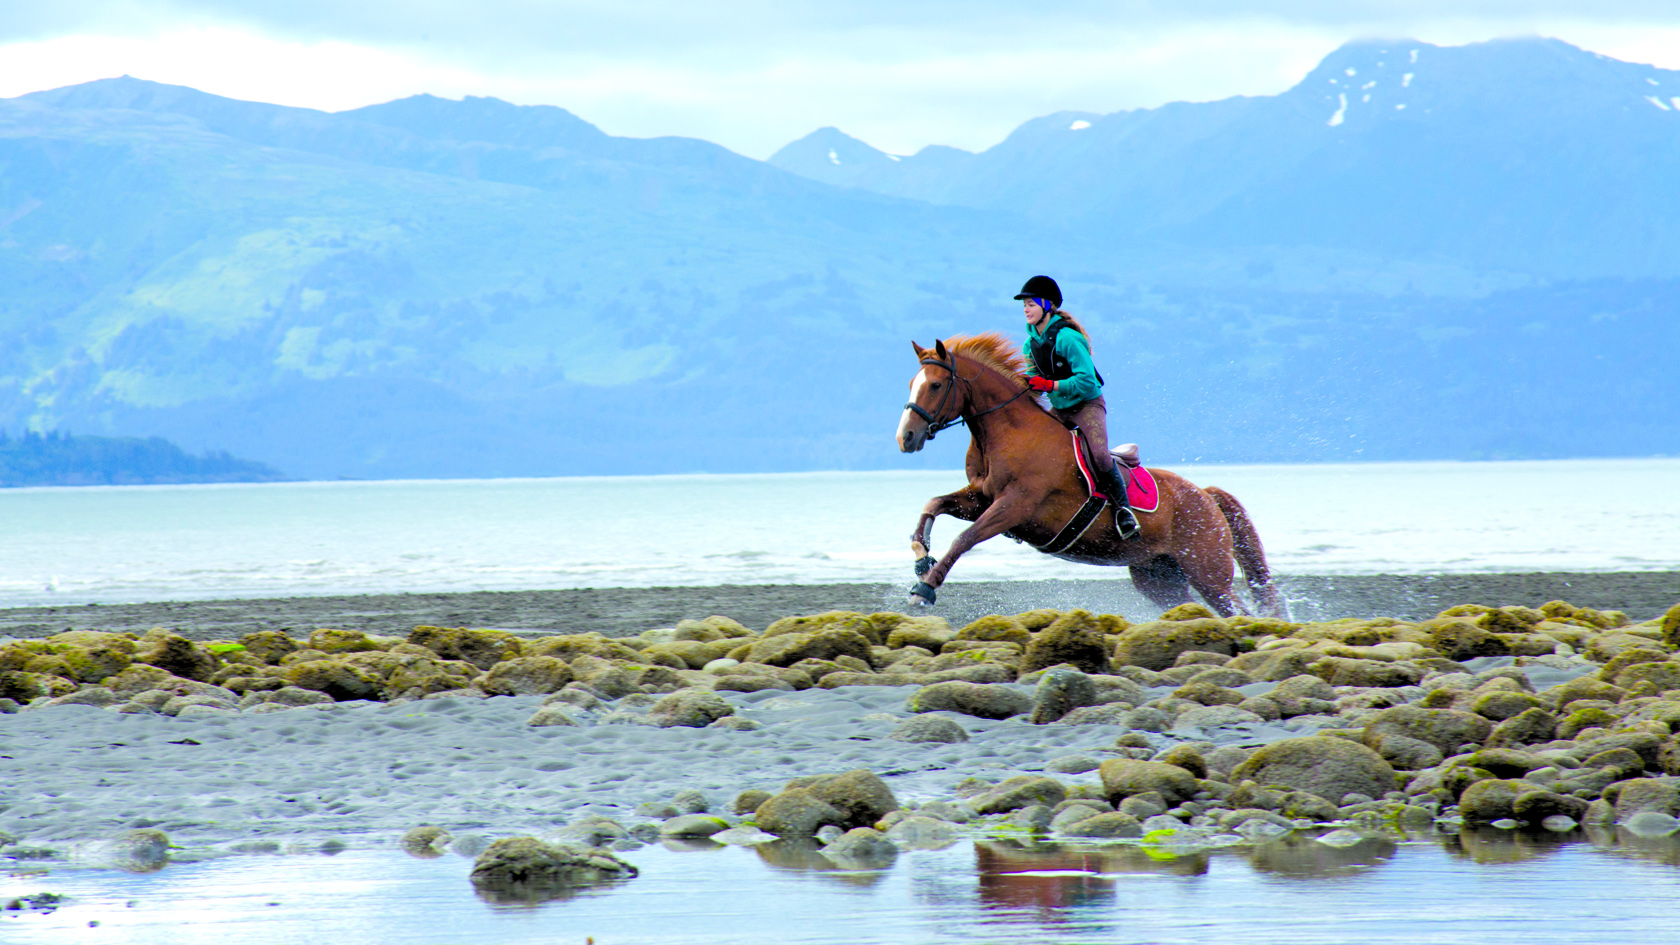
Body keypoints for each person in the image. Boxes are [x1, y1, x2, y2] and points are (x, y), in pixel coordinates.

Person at [1015, 275, 1140, 540]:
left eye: (1031, 304)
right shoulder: (1029, 344)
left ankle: (1124, 512)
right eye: (1024, 305)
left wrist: (1048, 385)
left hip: (1087, 405)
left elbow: (1086, 382)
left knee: (1100, 456)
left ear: (1047, 306)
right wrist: (1028, 385)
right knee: (1032, 450)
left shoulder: (1069, 339)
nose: (1026, 309)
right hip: (1061, 408)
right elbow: (1035, 378)